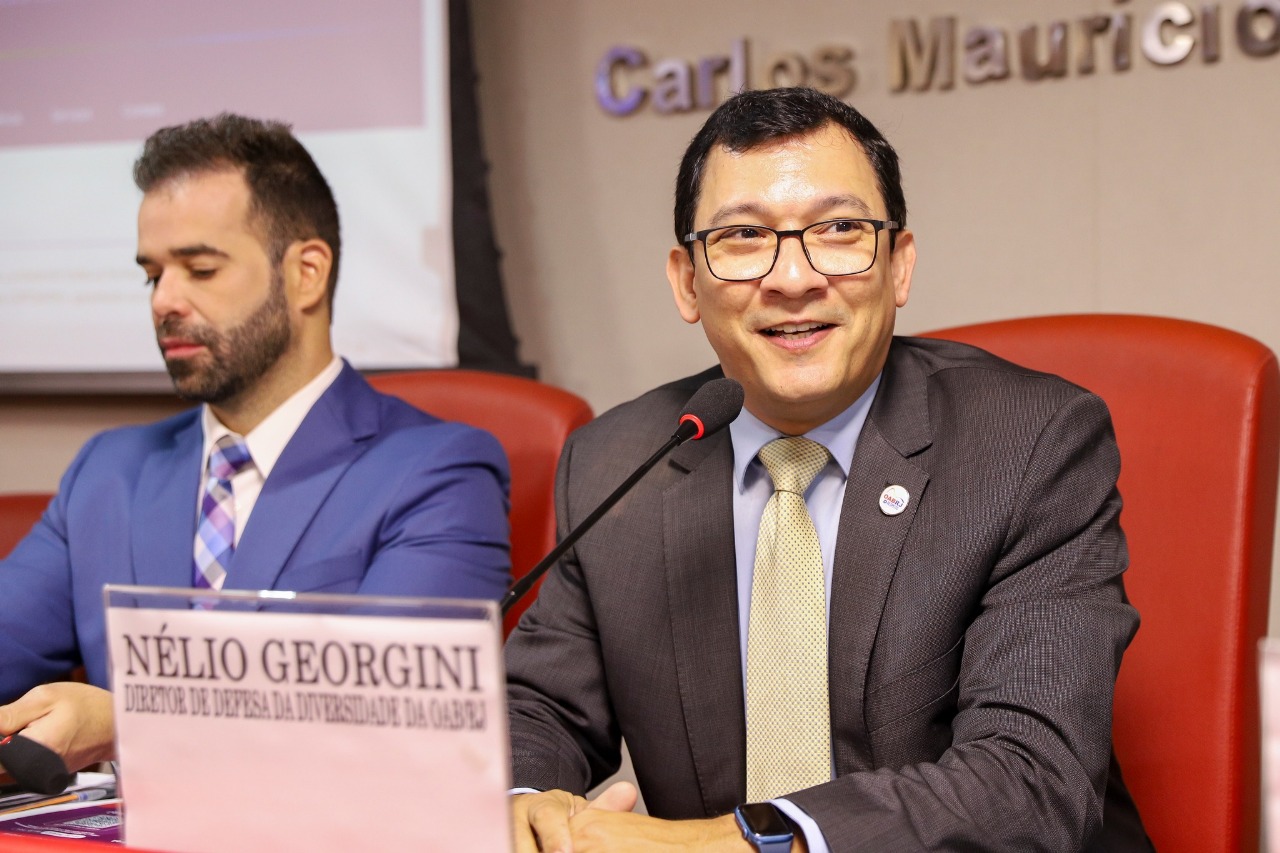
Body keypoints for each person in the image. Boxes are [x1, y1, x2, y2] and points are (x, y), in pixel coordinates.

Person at [505, 88, 1151, 851]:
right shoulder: (619, 462)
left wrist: (725, 844)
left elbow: (1030, 782)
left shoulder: (1028, 443)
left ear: (899, 264)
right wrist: (520, 804)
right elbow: (539, 706)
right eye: (744, 235)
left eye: (840, 228)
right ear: (686, 280)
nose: (792, 278)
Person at [0, 114, 511, 778]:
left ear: (306, 273)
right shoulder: (108, 471)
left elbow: (390, 726)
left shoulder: (438, 472)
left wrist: (132, 724)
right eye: (152, 274)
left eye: (200, 269)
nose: (164, 300)